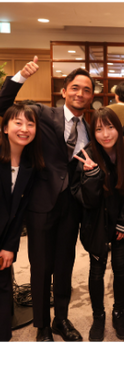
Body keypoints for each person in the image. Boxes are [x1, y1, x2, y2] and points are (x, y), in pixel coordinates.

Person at [0, 57, 93, 344]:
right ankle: (42, 326)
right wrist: (20, 77)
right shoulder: (42, 114)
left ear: (91, 96)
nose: (80, 93)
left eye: (86, 90)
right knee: (40, 267)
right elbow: (4, 107)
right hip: (41, 204)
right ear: (64, 91)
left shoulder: (89, 129)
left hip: (71, 207)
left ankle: (61, 319)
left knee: (65, 265)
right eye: (75, 87)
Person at [70, 106, 124, 342]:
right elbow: (86, 200)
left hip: (122, 221)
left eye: (110, 127)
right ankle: (98, 316)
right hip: (96, 223)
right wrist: (91, 177)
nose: (106, 134)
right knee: (96, 270)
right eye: (99, 129)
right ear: (93, 132)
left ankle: (118, 313)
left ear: (118, 128)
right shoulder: (88, 154)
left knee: (120, 267)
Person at [0, 103, 42, 345]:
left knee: (4, 289)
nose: (24, 129)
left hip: (5, 237)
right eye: (18, 123)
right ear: (5, 127)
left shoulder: (30, 166)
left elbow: (19, 213)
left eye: (30, 123)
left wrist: (10, 246)